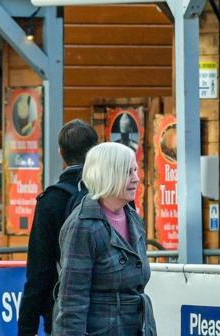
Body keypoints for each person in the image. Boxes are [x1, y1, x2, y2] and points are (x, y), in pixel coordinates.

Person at [53, 142, 156, 336]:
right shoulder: (82, 226)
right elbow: (71, 301)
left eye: (135, 171)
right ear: (108, 175)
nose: (136, 179)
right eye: (128, 172)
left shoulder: (133, 218)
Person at [18, 119, 100, 335]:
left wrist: (26, 327)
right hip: (107, 309)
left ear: (60, 153)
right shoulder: (110, 195)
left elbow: (39, 271)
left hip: (61, 307)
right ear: (95, 151)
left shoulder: (51, 200)